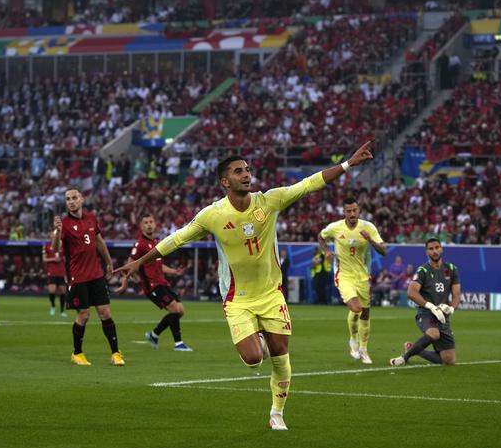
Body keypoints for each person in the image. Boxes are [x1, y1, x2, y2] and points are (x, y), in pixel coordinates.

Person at [115, 141, 375, 431]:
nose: (247, 174)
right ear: (225, 181)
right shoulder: (212, 214)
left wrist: (348, 164)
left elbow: (309, 184)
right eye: (239, 171)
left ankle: (277, 412)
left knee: (280, 358)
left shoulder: (269, 201)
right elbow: (176, 239)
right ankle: (258, 342)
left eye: (248, 169)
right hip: (237, 299)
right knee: (253, 359)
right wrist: (139, 262)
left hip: (271, 294)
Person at [52, 187, 124, 366]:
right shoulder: (64, 224)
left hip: (96, 274)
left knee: (105, 312)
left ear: (82, 199)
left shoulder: (91, 218)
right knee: (84, 315)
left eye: (74, 197)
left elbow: (99, 242)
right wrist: (57, 232)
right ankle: (77, 353)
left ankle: (116, 353)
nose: (71, 201)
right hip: (78, 277)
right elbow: (54, 249)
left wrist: (108, 261)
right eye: (68, 199)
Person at [318, 197, 387, 364]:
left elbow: (383, 251)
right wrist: (326, 251)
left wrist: (370, 239)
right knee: (356, 308)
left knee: (365, 314)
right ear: (344, 212)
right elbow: (321, 237)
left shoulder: (368, 227)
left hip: (362, 276)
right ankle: (353, 341)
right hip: (343, 275)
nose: (352, 213)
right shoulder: (335, 228)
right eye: (348, 211)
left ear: (359, 210)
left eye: (354, 210)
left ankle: (363, 349)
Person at [116, 213, 193, 351]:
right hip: (152, 286)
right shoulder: (140, 245)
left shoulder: (157, 242)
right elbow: (129, 265)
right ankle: (178, 344)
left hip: (162, 283)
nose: (149, 224)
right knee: (175, 310)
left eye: (151, 221)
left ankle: (154, 334)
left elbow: (159, 265)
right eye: (146, 222)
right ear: (141, 226)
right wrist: (125, 282)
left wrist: (174, 272)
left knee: (180, 311)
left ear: (155, 224)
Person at [390, 238, 461, 366]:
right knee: (434, 334)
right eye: (431, 249)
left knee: (449, 360)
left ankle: (414, 349)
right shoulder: (423, 271)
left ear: (441, 249)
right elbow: (411, 293)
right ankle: (404, 358)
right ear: (426, 252)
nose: (434, 251)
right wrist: (430, 306)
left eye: (437, 247)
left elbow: (456, 295)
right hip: (426, 313)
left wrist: (451, 309)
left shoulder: (451, 269)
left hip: (443, 317)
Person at [42, 231, 67, 317]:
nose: (54, 236)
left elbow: (66, 257)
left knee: (62, 291)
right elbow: (44, 259)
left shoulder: (63, 245)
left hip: (61, 271)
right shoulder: (47, 246)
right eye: (52, 234)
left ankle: (62, 311)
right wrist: (53, 259)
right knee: (52, 290)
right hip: (52, 271)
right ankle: (53, 306)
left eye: (55, 235)